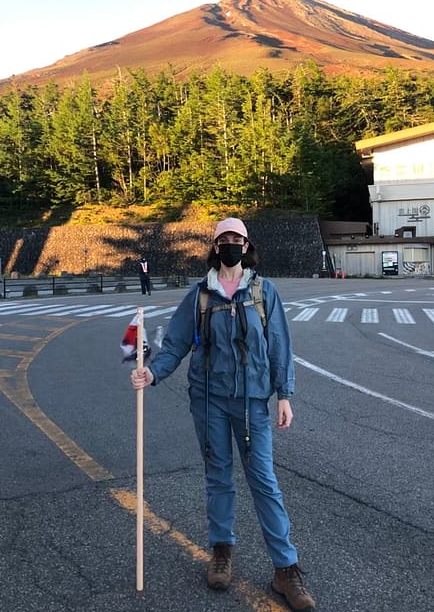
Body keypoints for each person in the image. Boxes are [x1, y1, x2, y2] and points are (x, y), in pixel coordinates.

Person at [131, 217, 315, 612]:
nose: (231, 244)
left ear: (247, 246)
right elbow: (176, 342)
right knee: (218, 477)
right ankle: (221, 551)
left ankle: (286, 569)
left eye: (237, 239)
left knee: (263, 481)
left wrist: (285, 395)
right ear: (215, 247)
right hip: (209, 400)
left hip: (252, 402)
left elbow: (279, 342)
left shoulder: (264, 292)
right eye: (224, 240)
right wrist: (153, 372)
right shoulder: (200, 294)